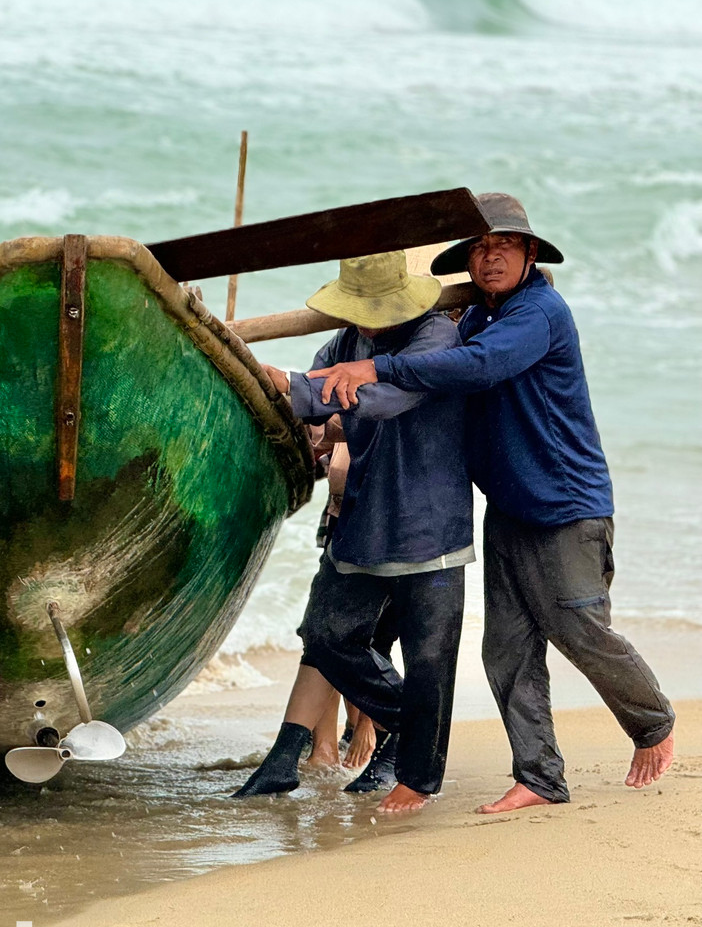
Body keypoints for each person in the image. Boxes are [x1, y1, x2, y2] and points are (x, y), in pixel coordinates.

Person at [310, 193, 675, 813]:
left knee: (577, 627)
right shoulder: (478, 317)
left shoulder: (539, 313)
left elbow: (480, 366)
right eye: (479, 248)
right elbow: (456, 351)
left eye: (503, 245)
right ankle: (539, 777)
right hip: (507, 505)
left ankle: (653, 722)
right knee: (505, 648)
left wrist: (378, 368)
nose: (490, 257)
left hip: (565, 506)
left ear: (530, 253)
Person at [231, 251, 472, 814]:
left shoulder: (436, 338)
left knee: (430, 660)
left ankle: (417, 779)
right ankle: (415, 730)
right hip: (362, 517)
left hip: (428, 524)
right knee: (327, 636)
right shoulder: (344, 343)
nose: (365, 320)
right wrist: (297, 397)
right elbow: (317, 402)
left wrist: (289, 383)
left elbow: (381, 398)